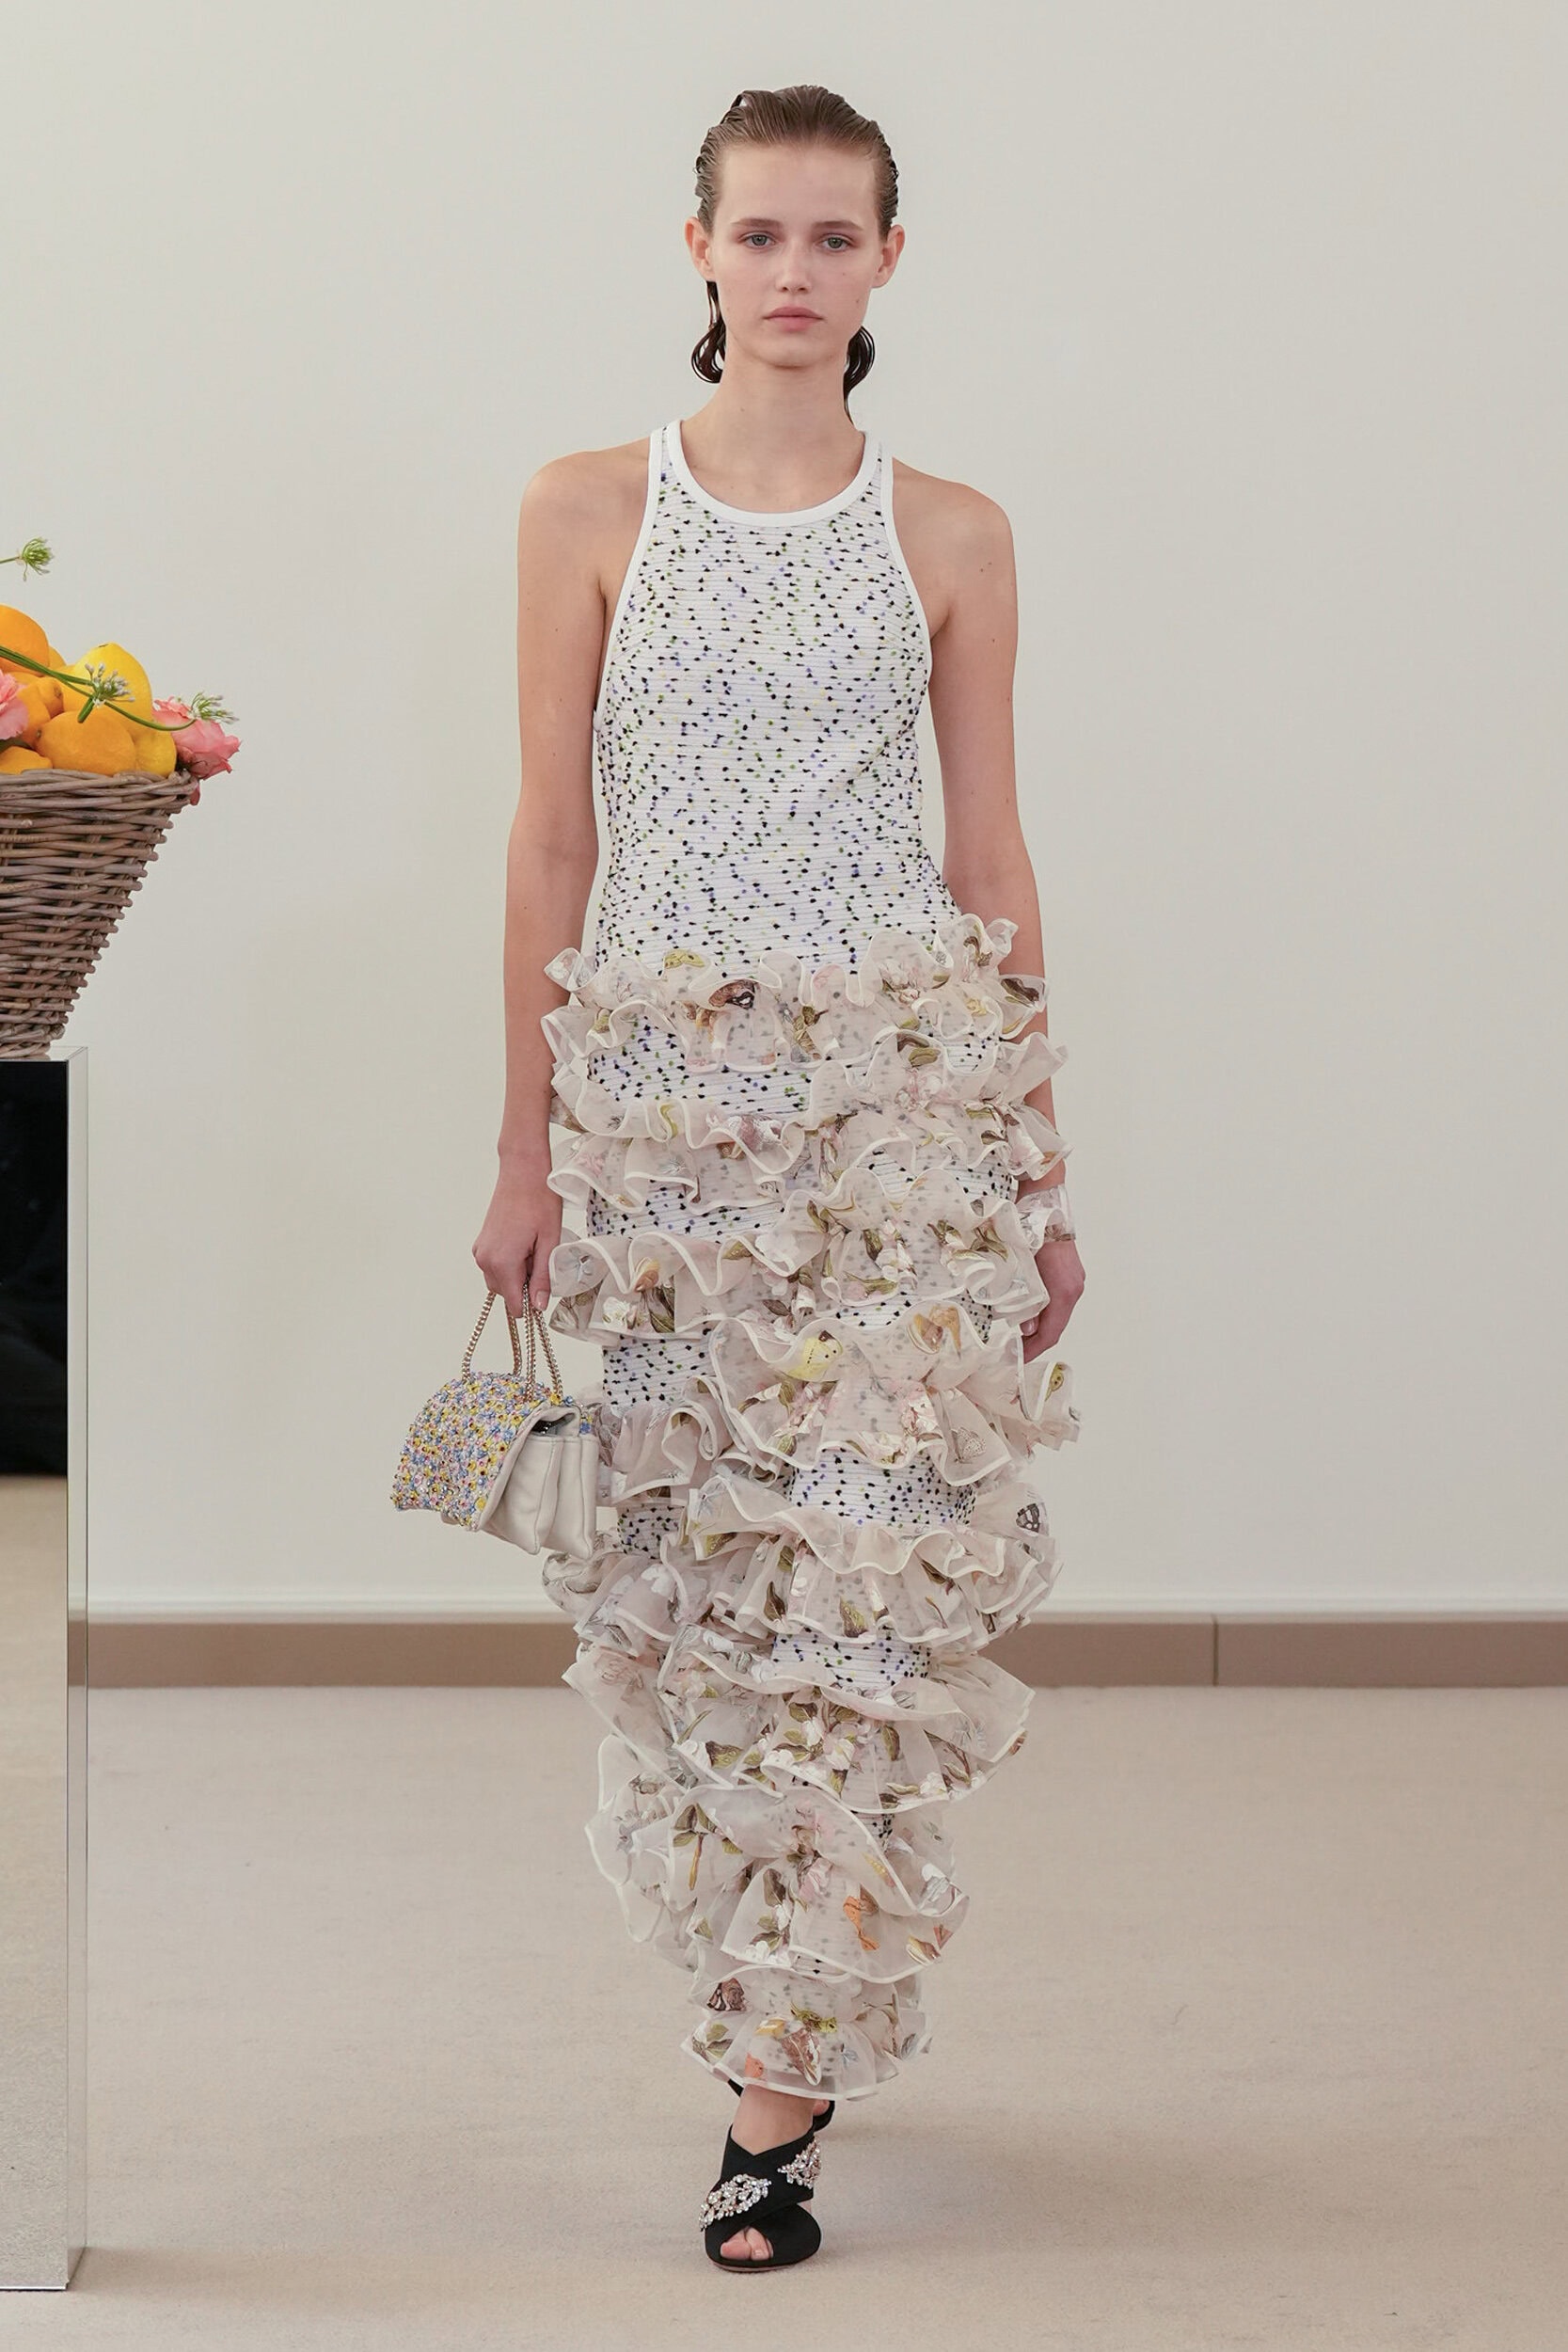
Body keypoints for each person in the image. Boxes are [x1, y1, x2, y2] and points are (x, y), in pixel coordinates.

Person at [474, 82, 1085, 2271]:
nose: (796, 272)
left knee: (861, 1581)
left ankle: (775, 2084)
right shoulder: (583, 507)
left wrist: (1040, 1162)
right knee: (682, 1581)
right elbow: (553, 837)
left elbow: (989, 855)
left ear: (888, 261)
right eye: (762, 234)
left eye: (837, 237)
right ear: (701, 252)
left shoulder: (955, 532)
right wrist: (525, 1143)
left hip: (899, 1123)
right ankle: (758, 1985)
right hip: (659, 1119)